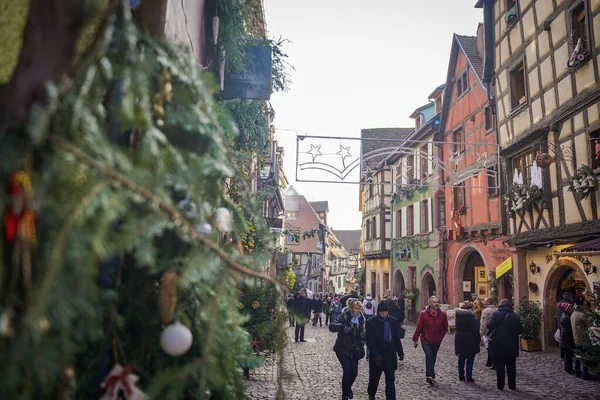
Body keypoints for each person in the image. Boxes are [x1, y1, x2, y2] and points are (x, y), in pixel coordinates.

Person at [329, 298, 366, 400]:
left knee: (354, 373)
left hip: (355, 350)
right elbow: (332, 325)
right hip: (342, 348)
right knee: (347, 370)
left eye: (358, 308)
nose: (356, 310)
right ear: (350, 308)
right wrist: (341, 327)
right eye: (354, 308)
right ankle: (345, 394)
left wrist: (362, 341)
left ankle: (348, 387)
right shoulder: (344, 315)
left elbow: (363, 332)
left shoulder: (361, 318)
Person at [366, 301, 404, 400]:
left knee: (390, 380)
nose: (384, 314)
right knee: (374, 379)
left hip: (390, 355)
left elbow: (396, 338)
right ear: (378, 312)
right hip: (377, 355)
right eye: (382, 312)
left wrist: (400, 352)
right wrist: (375, 355)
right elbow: (370, 341)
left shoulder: (393, 321)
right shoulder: (371, 322)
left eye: (386, 312)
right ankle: (371, 395)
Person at [487, 298, 523, 391]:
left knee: (500, 366)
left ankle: (500, 385)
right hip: (512, 345)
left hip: (498, 344)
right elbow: (520, 330)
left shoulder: (496, 314)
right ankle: (512, 385)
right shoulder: (515, 315)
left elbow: (489, 326)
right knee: (511, 366)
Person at [412, 295, 448, 384]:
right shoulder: (424, 314)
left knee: (433, 356)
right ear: (430, 303)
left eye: (437, 302)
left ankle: (431, 374)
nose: (436, 304)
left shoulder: (442, 314)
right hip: (426, 338)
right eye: (434, 302)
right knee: (429, 355)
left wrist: (441, 336)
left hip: (437, 340)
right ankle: (429, 375)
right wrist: (415, 339)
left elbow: (445, 327)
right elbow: (419, 326)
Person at [454, 300, 480, 382]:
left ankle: (461, 375)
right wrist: (478, 339)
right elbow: (475, 329)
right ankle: (469, 376)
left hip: (459, 338)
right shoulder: (470, 317)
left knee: (461, 358)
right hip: (469, 338)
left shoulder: (458, 316)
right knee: (470, 358)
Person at [571, 302, 592, 379]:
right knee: (585, 357)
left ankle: (577, 371)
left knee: (578, 356)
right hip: (583, 339)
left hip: (576, 338)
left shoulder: (573, 314)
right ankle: (585, 374)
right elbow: (589, 322)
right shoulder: (581, 315)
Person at [480, 297, 497, 369]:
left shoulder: (486, 311)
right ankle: (489, 362)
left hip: (487, 331)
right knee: (493, 347)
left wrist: (481, 332)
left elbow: (483, 323)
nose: (483, 302)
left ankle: (492, 362)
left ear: (489, 302)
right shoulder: (497, 310)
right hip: (496, 332)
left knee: (489, 348)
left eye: (485, 301)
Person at [559, 302, 576, 374]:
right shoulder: (566, 317)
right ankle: (568, 369)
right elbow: (569, 329)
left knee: (568, 354)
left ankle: (567, 368)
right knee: (568, 354)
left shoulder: (565, 315)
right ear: (567, 309)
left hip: (565, 338)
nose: (571, 308)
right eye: (570, 307)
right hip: (567, 338)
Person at [556, 292, 574, 359]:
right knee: (567, 342)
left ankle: (562, 354)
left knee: (562, 340)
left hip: (560, 323)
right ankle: (567, 356)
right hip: (566, 323)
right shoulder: (569, 304)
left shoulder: (559, 304)